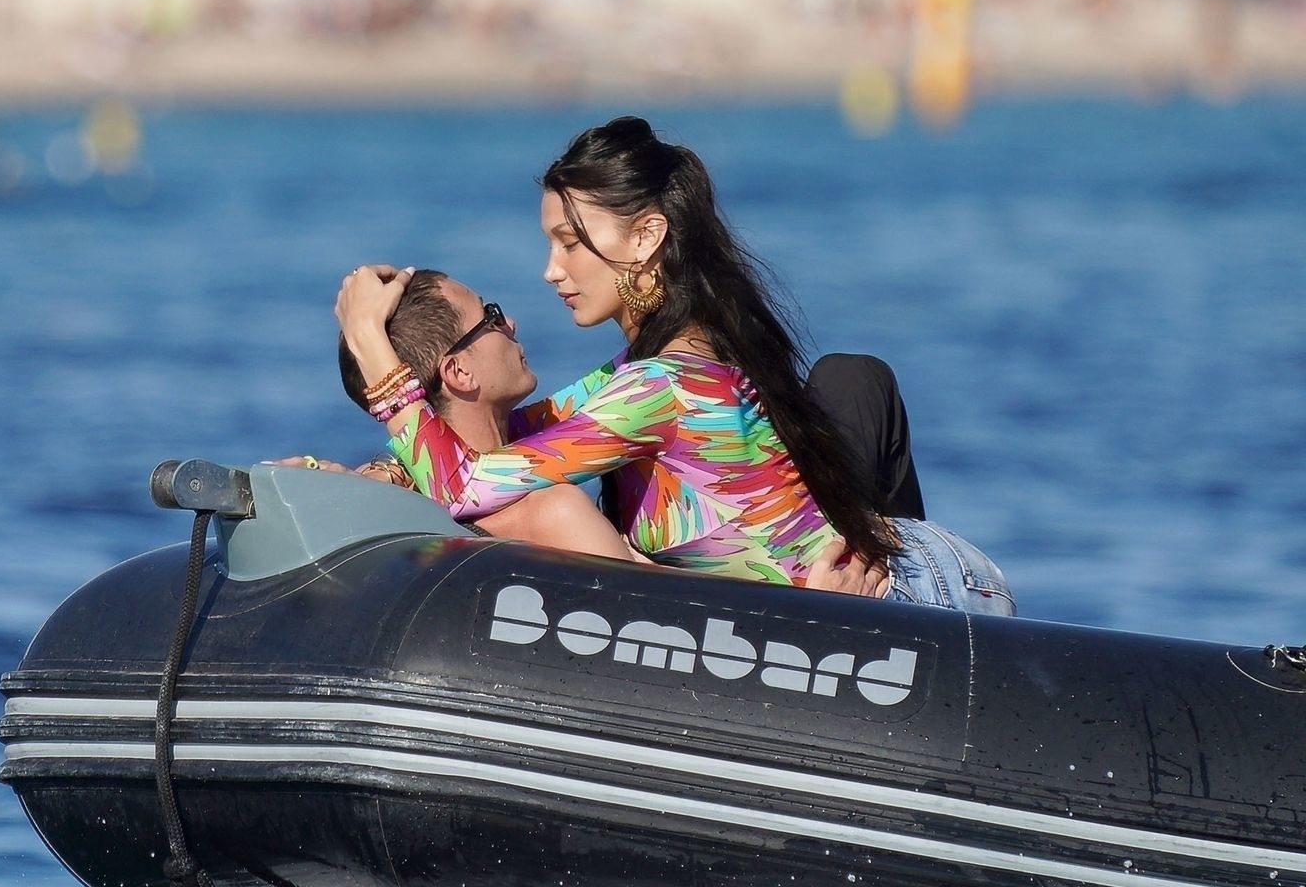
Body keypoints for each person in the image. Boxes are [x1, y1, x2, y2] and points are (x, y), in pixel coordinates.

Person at [337, 116, 1012, 614]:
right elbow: (499, 449)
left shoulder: (660, 387)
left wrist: (371, 344)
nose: (550, 271)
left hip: (921, 589)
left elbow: (466, 485)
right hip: (887, 581)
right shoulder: (636, 372)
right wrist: (379, 472)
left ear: (646, 236)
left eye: (570, 243)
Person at [314, 267, 892, 596]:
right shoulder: (547, 503)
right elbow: (457, 479)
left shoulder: (561, 431)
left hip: (879, 571)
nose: (509, 320)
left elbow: (457, 474)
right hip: (837, 590)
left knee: (851, 382)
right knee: (852, 379)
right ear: (459, 373)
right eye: (489, 317)